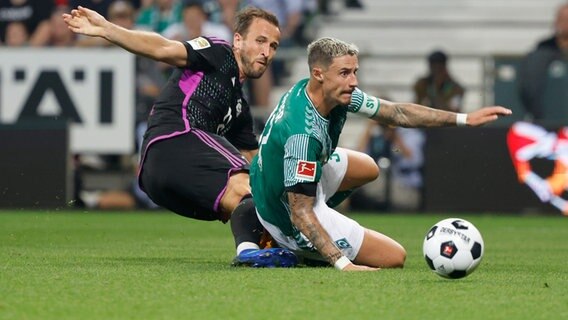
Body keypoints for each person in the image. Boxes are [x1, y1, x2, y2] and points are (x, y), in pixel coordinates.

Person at [249, 37, 512, 271]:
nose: (354, 82)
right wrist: (342, 263)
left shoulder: (327, 91)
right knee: (394, 256)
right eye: (344, 73)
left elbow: (396, 113)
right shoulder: (303, 136)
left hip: (281, 181)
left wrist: (465, 118)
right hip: (285, 212)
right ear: (319, 73)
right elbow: (300, 211)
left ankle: (321, 225)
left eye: (354, 72)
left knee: (368, 167)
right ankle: (294, 246)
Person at [63, 5, 297, 267]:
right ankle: (251, 250)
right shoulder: (219, 52)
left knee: (255, 197)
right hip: (173, 140)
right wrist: (108, 29)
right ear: (239, 40)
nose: (267, 53)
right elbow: (163, 48)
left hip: (160, 182)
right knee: (251, 186)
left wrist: (291, 196)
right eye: (261, 41)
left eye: (274, 46)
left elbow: (257, 163)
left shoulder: (239, 108)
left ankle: (267, 248)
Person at [518, 3, 568, 121]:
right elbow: (530, 85)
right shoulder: (544, 48)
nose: (564, 24)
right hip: (547, 116)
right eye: (562, 19)